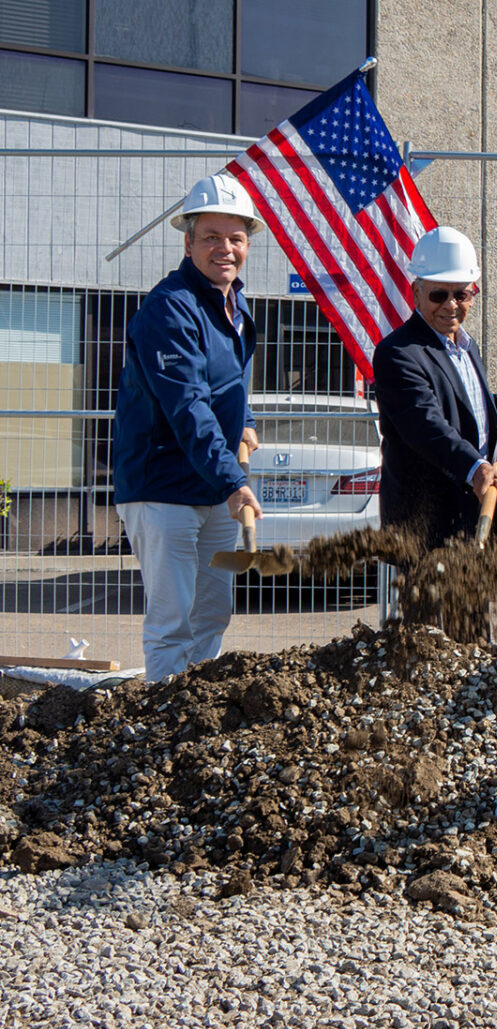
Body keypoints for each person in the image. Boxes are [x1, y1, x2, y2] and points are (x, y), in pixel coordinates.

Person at [112, 174, 265, 680]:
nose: (225, 248)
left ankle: (197, 717)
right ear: (188, 242)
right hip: (163, 491)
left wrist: (242, 422)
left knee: (213, 612)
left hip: (215, 487)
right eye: (211, 237)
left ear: (247, 243)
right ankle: (161, 728)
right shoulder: (170, 307)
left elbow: (231, 384)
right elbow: (188, 407)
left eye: (235, 238)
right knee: (172, 621)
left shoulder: (236, 306)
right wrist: (234, 482)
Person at [373, 226, 497, 550]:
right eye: (438, 294)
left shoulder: (467, 346)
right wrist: (476, 469)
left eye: (461, 294)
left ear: (474, 293)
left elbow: (458, 402)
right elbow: (427, 425)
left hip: (476, 519)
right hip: (428, 529)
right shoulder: (397, 354)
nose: (451, 305)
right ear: (416, 292)